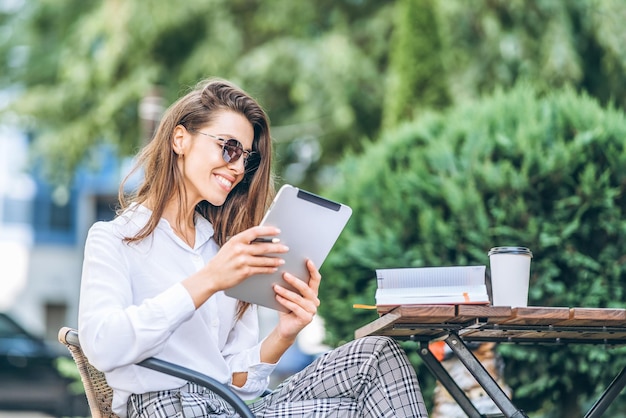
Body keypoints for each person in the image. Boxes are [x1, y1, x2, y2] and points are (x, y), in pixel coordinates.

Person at [78, 77, 429, 418]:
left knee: (376, 353)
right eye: (229, 148)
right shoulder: (116, 238)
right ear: (180, 139)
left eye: (247, 158)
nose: (238, 167)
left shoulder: (222, 249)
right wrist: (208, 280)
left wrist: (284, 333)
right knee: (357, 409)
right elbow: (102, 345)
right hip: (164, 408)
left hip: (228, 406)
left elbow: (235, 383)